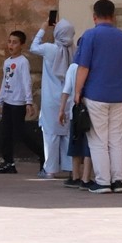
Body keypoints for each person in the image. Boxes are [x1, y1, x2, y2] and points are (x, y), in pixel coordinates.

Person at [73, 0, 122, 194]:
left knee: (98, 139)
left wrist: (77, 91)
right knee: (116, 139)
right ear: (114, 16)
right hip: (119, 94)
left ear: (94, 16)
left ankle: (103, 181)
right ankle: (118, 181)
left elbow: (83, 67)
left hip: (96, 94)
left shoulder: (90, 36)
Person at [0, 30, 44, 175]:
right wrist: (0, 100)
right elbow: (5, 80)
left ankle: (42, 154)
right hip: (8, 101)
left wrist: (28, 101)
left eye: (15, 42)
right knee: (5, 133)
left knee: (21, 134)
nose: (11, 45)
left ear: (21, 45)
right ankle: (8, 162)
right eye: (9, 42)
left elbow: (26, 82)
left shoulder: (23, 62)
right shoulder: (7, 62)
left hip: (18, 103)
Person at [30, 18, 74, 178]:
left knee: (50, 135)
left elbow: (33, 47)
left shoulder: (49, 49)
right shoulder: (73, 50)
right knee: (67, 135)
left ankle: (50, 170)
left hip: (50, 99)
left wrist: (43, 28)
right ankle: (71, 168)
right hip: (67, 98)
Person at [58, 51, 94, 189]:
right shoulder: (93, 66)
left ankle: (75, 176)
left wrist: (61, 110)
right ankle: (86, 177)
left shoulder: (73, 67)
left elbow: (66, 90)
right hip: (91, 110)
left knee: (75, 141)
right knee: (90, 144)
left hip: (76, 111)